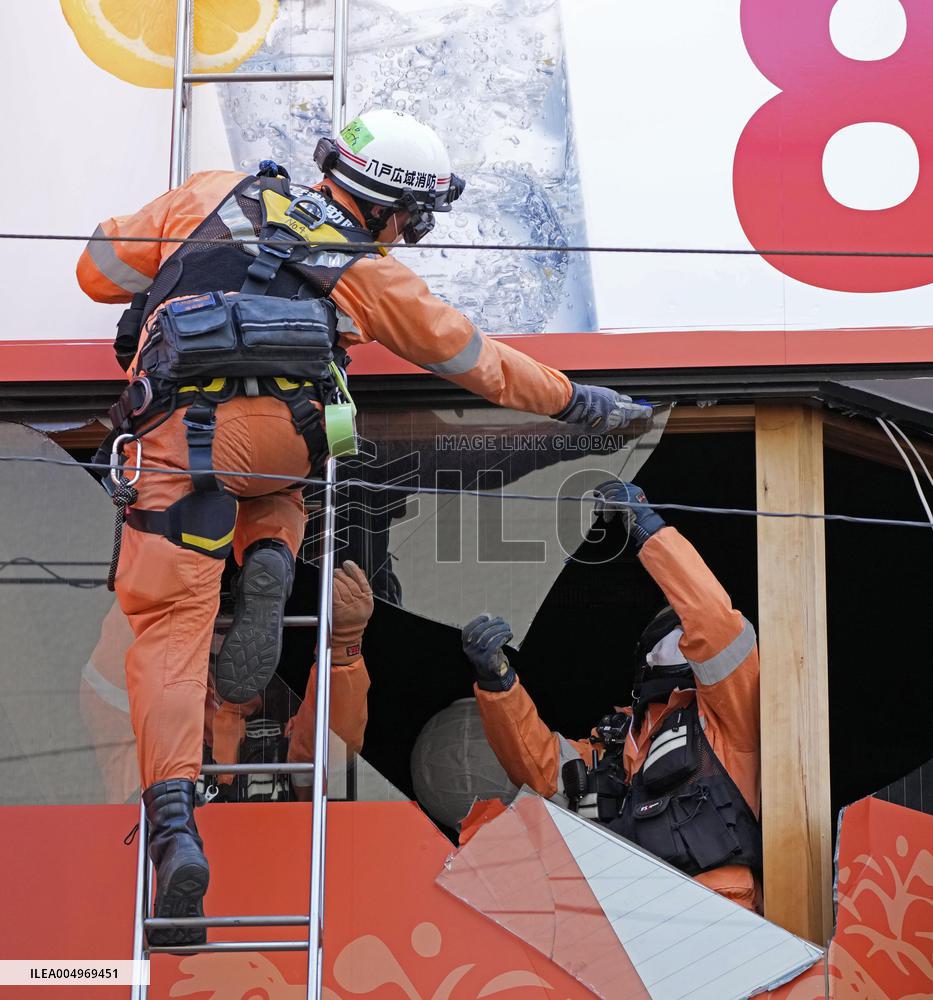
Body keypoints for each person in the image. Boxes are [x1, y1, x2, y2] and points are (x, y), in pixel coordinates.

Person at [77, 107, 651, 946]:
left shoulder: (209, 191)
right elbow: (477, 361)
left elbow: (97, 274)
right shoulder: (366, 271)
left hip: (174, 442)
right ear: (387, 209)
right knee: (277, 495)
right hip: (278, 446)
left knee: (167, 632)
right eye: (412, 222)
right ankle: (271, 547)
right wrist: (588, 404)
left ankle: (173, 823)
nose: (407, 238)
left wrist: (168, 249)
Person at [462, 480, 762, 911]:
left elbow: (715, 624)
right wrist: (498, 684)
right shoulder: (618, 742)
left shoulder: (728, 716)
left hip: (717, 909)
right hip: (625, 923)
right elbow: (540, 768)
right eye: (670, 633)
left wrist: (649, 531)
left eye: (685, 630)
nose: (683, 640)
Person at [207, 561, 372, 804]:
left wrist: (342, 645)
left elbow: (332, 741)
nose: (231, 637)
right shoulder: (168, 725)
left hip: (279, 837)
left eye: (238, 622)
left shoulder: (287, 742)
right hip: (170, 838)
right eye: (221, 620)